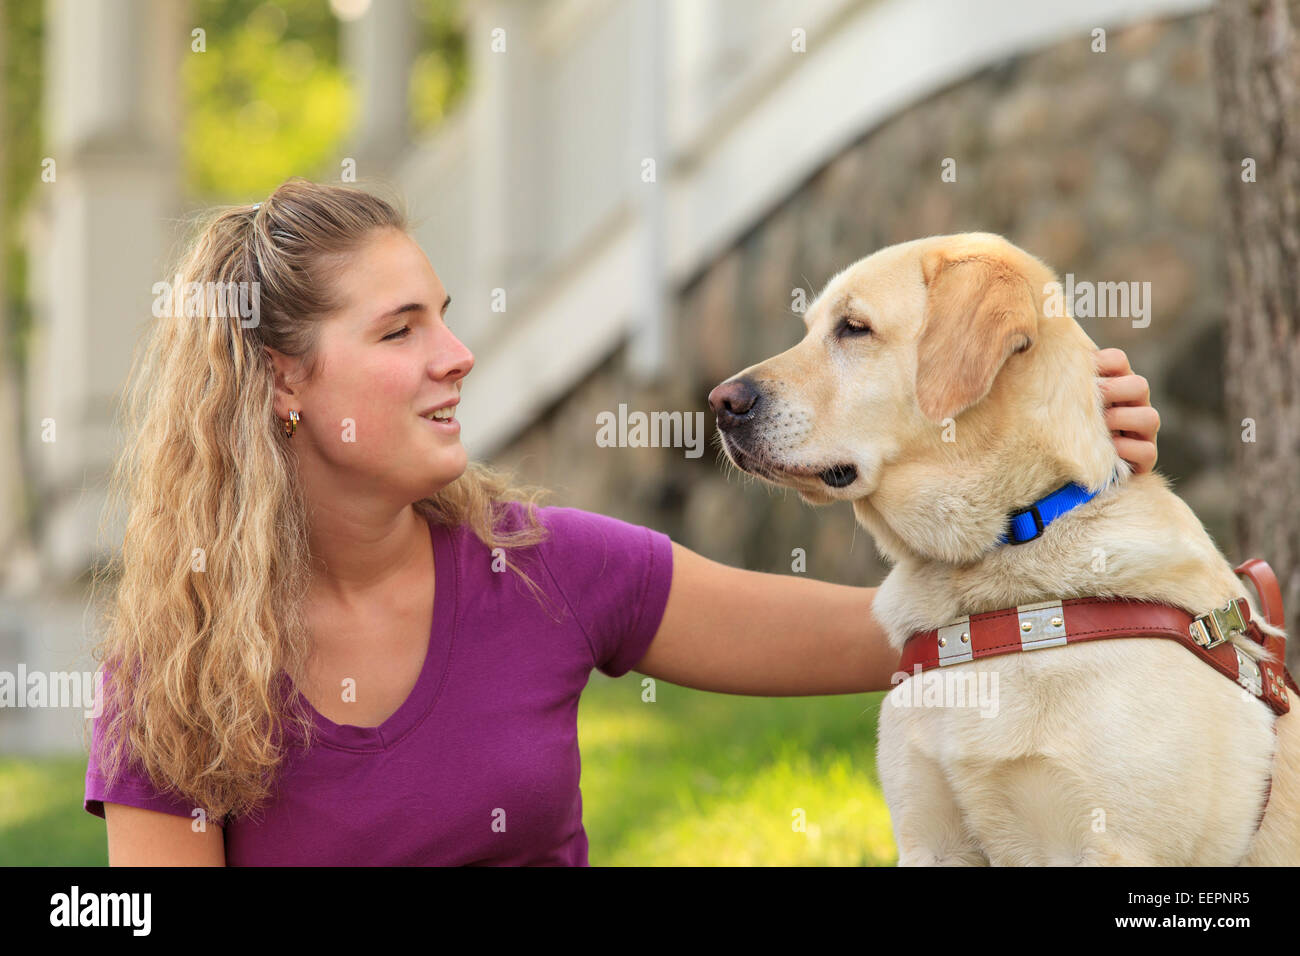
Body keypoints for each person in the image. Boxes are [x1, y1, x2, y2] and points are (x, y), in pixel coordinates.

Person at [83, 178, 1161, 865]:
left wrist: (1052, 452)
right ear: (284, 383)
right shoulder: (179, 661)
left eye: (445, 318)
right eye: (400, 329)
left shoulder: (543, 568)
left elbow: (909, 637)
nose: (455, 355)